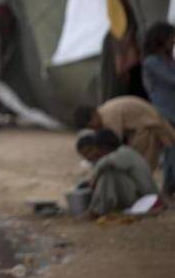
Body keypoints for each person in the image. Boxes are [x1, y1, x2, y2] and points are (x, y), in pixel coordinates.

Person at [74, 96, 175, 171]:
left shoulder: (109, 117)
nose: (94, 129)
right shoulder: (104, 112)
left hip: (147, 126)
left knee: (141, 165)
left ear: (93, 115)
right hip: (140, 127)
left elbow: (113, 146)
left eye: (92, 126)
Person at [76, 129, 158, 217]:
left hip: (145, 200)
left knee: (109, 174)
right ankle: (97, 208)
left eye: (98, 149)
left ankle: (97, 211)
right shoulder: (124, 152)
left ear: (104, 147)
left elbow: (106, 162)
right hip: (143, 198)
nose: (97, 152)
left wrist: (94, 177)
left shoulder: (122, 153)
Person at [142, 22, 175, 194]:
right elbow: (171, 79)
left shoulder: (166, 60)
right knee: (170, 150)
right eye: (171, 38)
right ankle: (169, 186)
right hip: (165, 111)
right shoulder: (152, 62)